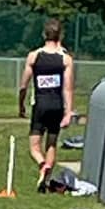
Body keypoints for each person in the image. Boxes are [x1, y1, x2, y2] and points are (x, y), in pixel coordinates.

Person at [18, 18, 74, 193]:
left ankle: (42, 164)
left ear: (44, 34)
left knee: (34, 146)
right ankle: (46, 178)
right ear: (61, 35)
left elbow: (23, 85)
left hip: (40, 105)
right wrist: (68, 112)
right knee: (51, 143)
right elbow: (68, 88)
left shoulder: (34, 56)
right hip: (56, 105)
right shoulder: (65, 59)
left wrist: (21, 104)